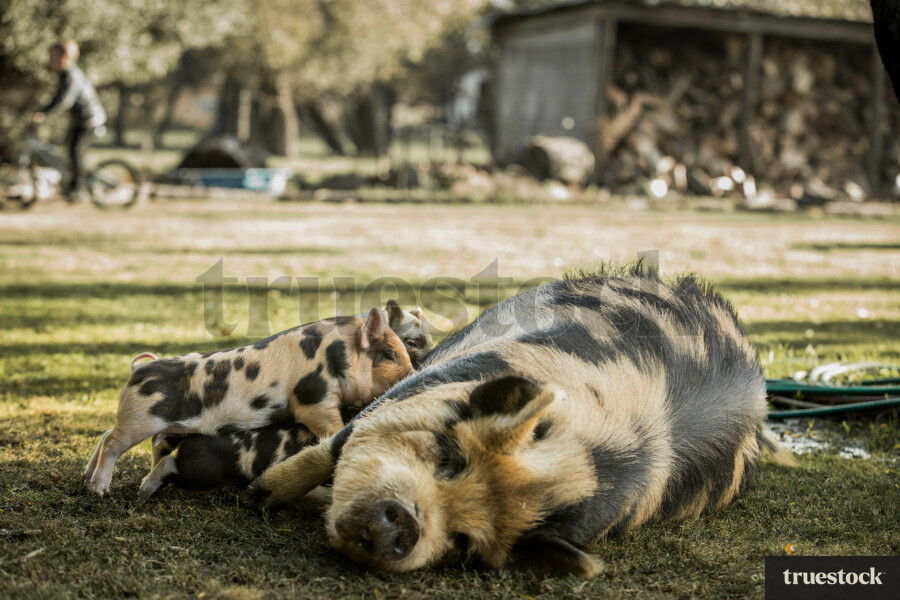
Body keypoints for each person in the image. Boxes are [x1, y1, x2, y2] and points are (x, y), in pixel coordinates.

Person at [32, 39, 107, 202]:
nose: (49, 60)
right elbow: (58, 97)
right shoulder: (65, 74)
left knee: (75, 152)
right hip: (79, 121)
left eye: (52, 57)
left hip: (89, 119)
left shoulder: (71, 75)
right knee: (70, 151)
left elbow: (64, 99)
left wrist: (44, 112)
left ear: (63, 57)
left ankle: (79, 190)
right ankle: (73, 186)